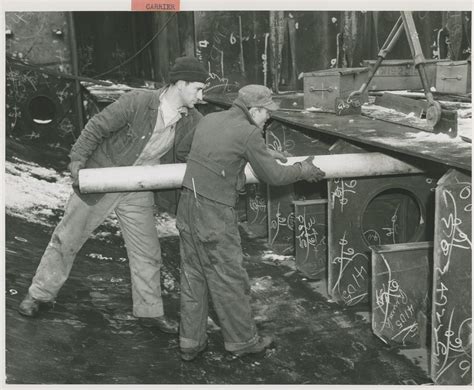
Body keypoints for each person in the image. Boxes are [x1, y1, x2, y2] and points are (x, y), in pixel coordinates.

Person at [18, 56, 209, 334]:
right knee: (67, 238)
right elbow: (97, 126)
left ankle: (149, 312)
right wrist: (77, 160)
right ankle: (39, 295)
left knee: (147, 251)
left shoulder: (191, 119)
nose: (201, 97)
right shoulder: (139, 102)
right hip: (104, 178)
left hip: (138, 186)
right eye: (198, 89)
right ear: (180, 84)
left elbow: (210, 143)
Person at [176, 84, 326, 360]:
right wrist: (303, 169)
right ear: (253, 110)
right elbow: (275, 178)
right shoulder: (249, 132)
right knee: (228, 278)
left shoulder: (210, 119)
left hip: (187, 205)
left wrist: (232, 165)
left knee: (193, 275)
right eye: (266, 113)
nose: (268, 118)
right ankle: (242, 341)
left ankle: (190, 342)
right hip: (214, 214)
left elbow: (184, 150)